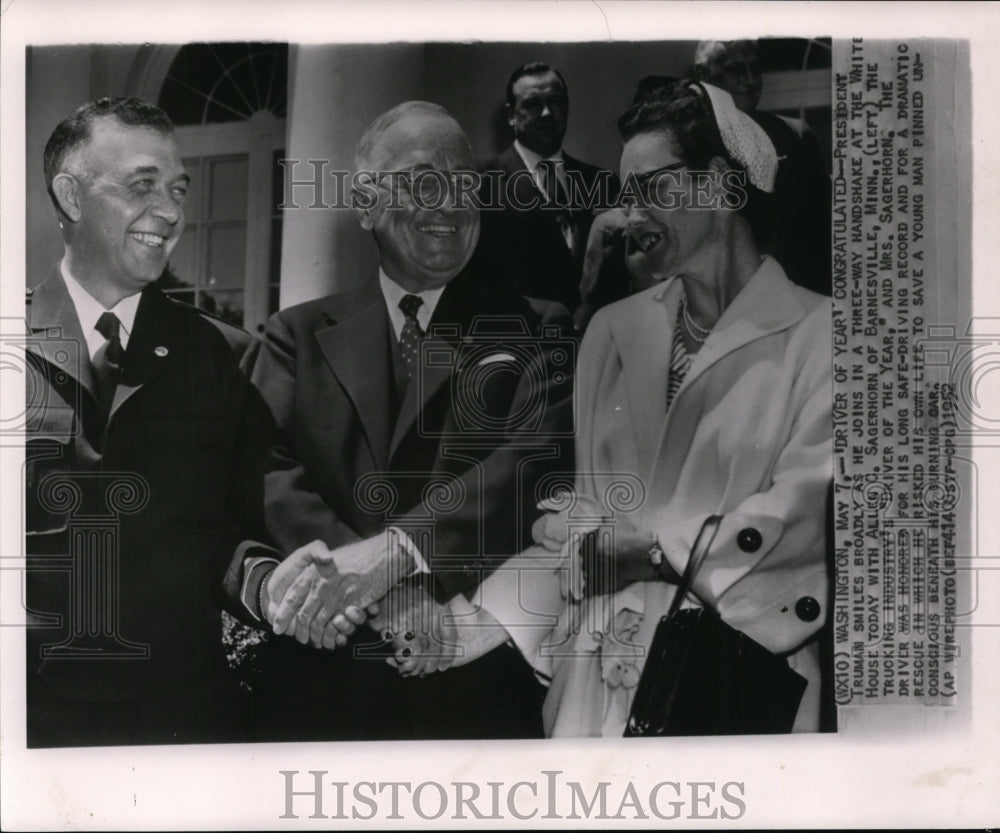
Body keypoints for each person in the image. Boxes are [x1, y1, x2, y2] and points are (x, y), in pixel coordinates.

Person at [446, 81, 832, 736]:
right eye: (626, 196)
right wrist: (475, 620)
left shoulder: (821, 335)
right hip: (594, 687)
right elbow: (588, 522)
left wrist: (652, 554)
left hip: (731, 684)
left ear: (719, 183)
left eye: (651, 187)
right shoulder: (611, 332)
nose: (630, 216)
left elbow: (801, 522)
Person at [226, 101, 574, 741]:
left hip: (469, 687)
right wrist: (365, 585)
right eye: (422, 181)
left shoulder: (538, 327)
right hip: (316, 686)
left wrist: (401, 556)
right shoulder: (294, 337)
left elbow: (530, 463)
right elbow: (264, 474)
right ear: (365, 204)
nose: (449, 203)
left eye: (465, 182)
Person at [25, 97, 274, 746]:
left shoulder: (223, 354)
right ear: (71, 197)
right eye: (143, 185)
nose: (170, 212)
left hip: (186, 718)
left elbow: (237, 527)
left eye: (178, 189)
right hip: (32, 721)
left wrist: (271, 585)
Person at [470, 62, 619, 316]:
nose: (547, 113)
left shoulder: (602, 182)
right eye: (532, 104)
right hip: (519, 344)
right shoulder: (481, 181)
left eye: (555, 101)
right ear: (511, 115)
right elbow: (471, 283)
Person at [694, 39, 832, 296]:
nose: (751, 81)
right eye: (737, 70)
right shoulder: (687, 141)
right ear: (704, 76)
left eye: (756, 69)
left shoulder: (794, 135)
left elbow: (821, 232)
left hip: (794, 293)